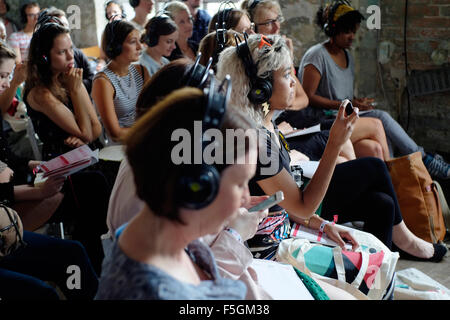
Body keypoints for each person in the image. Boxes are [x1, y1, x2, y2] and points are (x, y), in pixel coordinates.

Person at [216, 33, 448, 262]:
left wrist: (324, 225)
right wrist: (334, 144)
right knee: (374, 173)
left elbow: (285, 205)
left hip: (287, 227)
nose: (293, 82)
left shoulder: (266, 125)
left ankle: (390, 260)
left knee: (382, 204)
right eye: (287, 75)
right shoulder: (257, 140)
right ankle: (394, 255)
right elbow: (303, 206)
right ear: (261, 87)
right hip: (273, 251)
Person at [95, 82, 256, 299]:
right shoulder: (155, 292)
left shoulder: (153, 233)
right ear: (196, 186)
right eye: (240, 183)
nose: (246, 196)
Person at [293, 1, 450, 177]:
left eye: (354, 31)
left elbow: (342, 95)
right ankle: (422, 158)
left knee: (374, 147)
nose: (352, 36)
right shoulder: (317, 56)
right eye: (347, 32)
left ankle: (392, 185)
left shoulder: (348, 57)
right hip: (321, 120)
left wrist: (356, 101)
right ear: (332, 30)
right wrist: (344, 104)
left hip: (343, 115)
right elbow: (308, 97)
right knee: (381, 117)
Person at [242, 0, 391, 162]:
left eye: (278, 20)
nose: (277, 27)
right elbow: (297, 101)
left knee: (373, 148)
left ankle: (402, 181)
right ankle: (411, 168)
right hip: (288, 129)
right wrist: (280, 113)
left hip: (293, 127)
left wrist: (287, 70)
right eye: (269, 22)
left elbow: (302, 99)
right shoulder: (251, 63)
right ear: (252, 28)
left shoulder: (279, 55)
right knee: (376, 122)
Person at [92, 20, 148, 144]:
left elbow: (151, 110)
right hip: (120, 147)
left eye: (139, 41)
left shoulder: (142, 71)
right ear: (115, 46)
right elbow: (115, 133)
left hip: (144, 139)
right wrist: (149, 130)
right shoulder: (103, 82)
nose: (140, 46)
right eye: (133, 42)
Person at [40, 7, 95, 94]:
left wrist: (75, 84)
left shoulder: (77, 53)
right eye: (61, 52)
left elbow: (92, 79)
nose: (64, 30)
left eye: (66, 25)